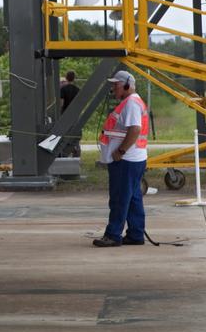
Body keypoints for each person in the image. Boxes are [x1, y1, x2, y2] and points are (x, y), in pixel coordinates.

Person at [93, 70, 149, 248]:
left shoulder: (131, 103)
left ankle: (113, 235)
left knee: (119, 198)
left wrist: (121, 151)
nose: (113, 88)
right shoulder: (131, 102)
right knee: (132, 198)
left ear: (126, 85)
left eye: (115, 85)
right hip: (133, 159)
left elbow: (135, 129)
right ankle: (135, 234)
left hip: (127, 160)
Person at [59, 72, 82, 157]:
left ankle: (64, 151)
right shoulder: (77, 89)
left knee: (65, 134)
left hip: (65, 114)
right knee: (75, 133)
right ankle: (76, 149)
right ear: (74, 78)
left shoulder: (63, 89)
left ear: (66, 78)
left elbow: (61, 103)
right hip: (75, 115)